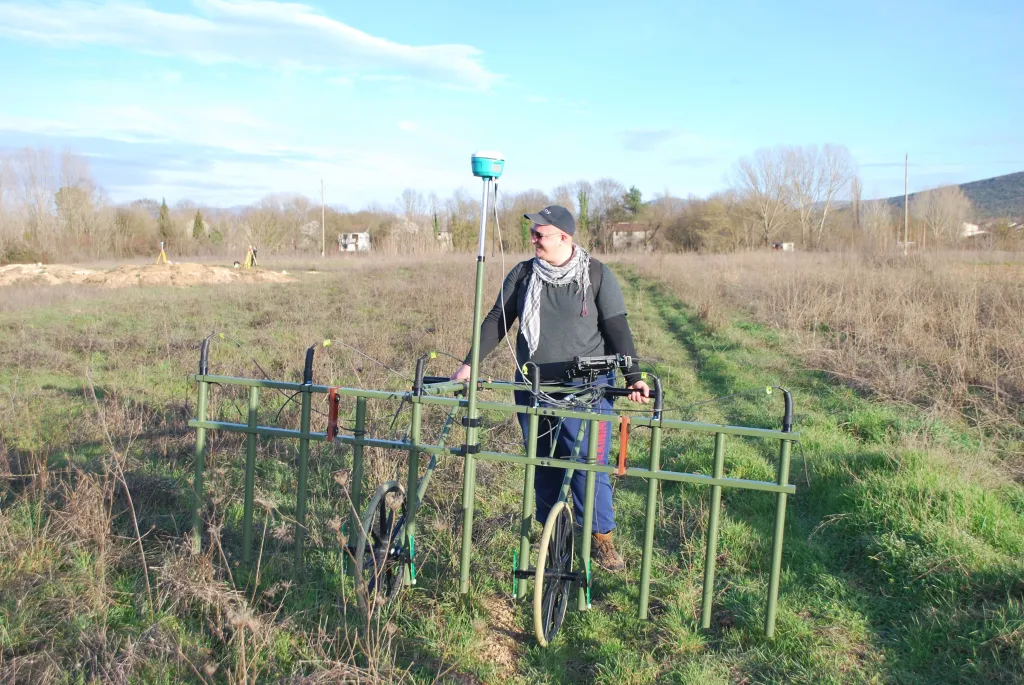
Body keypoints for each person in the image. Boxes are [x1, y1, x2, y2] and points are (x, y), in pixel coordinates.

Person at [452, 205, 649, 572]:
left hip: (588, 389)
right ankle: (552, 536)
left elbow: (616, 327)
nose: (533, 239)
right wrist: (469, 365)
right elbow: (498, 320)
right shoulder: (524, 274)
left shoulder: (597, 275)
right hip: (533, 386)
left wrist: (633, 376)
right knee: (543, 463)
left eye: (540, 234)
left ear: (564, 237)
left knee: (590, 466)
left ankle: (600, 537)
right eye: (533, 233)